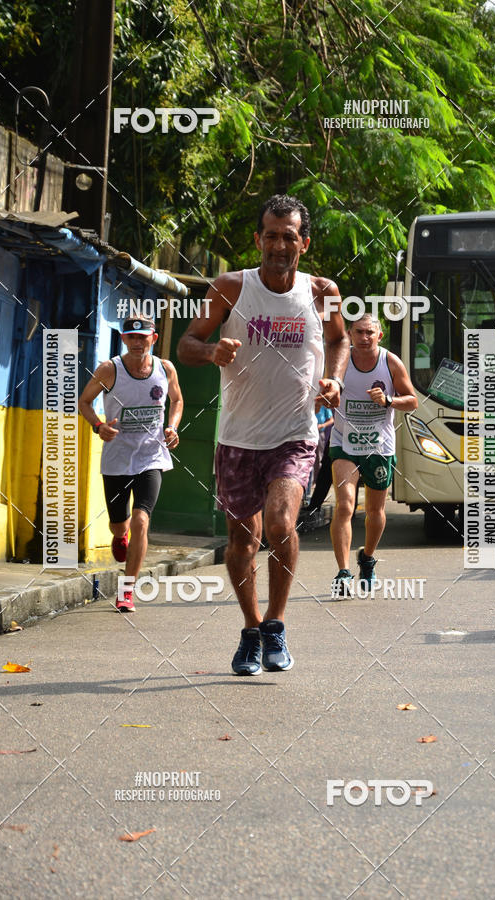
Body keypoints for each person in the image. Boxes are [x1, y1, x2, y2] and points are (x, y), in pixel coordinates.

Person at [178, 194, 349, 674]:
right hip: (237, 437)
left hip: (295, 433)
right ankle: (251, 628)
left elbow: (336, 338)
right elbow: (186, 344)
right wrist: (212, 353)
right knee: (242, 538)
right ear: (257, 240)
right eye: (270, 235)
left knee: (279, 524)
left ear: (304, 242)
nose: (279, 244)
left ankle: (276, 623)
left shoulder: (322, 291)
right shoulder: (230, 288)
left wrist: (333, 377)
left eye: (288, 236)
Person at [79, 315, 183, 612]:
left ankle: (127, 590)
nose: (138, 342)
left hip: (151, 456)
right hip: (117, 458)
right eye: (132, 337)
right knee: (119, 524)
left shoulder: (165, 369)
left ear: (154, 337)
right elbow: (85, 401)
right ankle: (119, 535)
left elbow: (176, 400)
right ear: (123, 338)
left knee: (141, 520)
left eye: (143, 336)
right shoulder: (110, 370)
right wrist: (99, 426)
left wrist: (172, 426)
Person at [329, 314, 417, 597]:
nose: (364, 338)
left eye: (370, 333)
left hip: (379, 446)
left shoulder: (390, 362)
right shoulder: (340, 361)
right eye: (358, 332)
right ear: (350, 335)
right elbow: (325, 387)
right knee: (344, 506)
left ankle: (367, 557)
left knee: (375, 512)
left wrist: (388, 400)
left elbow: (412, 401)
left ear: (380, 336)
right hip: (344, 443)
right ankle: (343, 572)